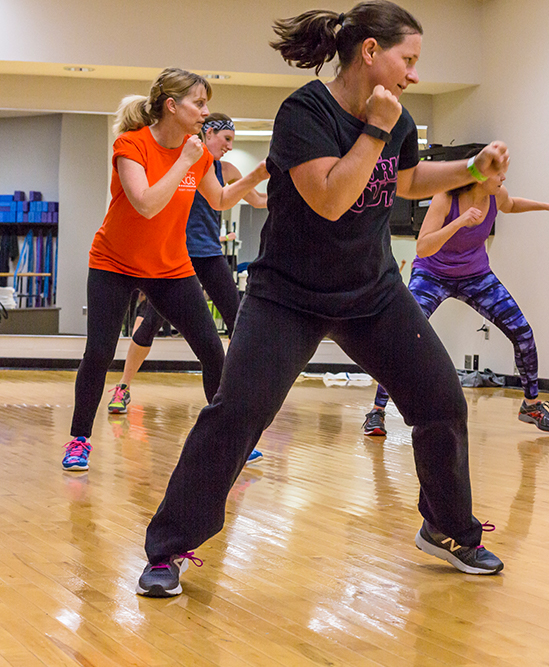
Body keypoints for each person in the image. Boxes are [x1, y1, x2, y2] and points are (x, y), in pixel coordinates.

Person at [136, 1, 510, 598]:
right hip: (289, 295)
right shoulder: (304, 112)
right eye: (407, 59)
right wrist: (377, 129)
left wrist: (470, 167)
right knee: (236, 414)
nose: (413, 74)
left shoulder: (399, 119)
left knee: (441, 400)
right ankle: (169, 548)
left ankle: (447, 527)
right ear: (370, 52)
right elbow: (332, 197)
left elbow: (406, 179)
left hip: (373, 291)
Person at [61, 68, 268, 472]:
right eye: (199, 103)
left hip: (169, 266)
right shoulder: (130, 145)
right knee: (99, 352)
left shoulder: (198, 153)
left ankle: (226, 442)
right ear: (172, 106)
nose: (206, 112)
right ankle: (79, 440)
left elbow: (221, 199)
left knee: (212, 350)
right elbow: (146, 203)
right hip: (113, 263)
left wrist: (256, 177)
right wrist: (185, 160)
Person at [363, 157, 549, 437]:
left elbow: (511, 205)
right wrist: (459, 223)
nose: (504, 179)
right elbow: (423, 247)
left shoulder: (496, 195)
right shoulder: (446, 198)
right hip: (432, 275)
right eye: (498, 174)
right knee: (402, 336)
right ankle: (377, 412)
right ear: (479, 176)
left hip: (476, 277)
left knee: (523, 332)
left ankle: (531, 405)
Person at [108, 112, 266, 465]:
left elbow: (255, 200)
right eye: (225, 139)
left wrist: (295, 196)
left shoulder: (225, 171)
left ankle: (230, 417)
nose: (229, 147)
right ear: (208, 134)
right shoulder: (181, 160)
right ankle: (123, 387)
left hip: (209, 254)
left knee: (238, 319)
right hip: (172, 257)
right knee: (148, 324)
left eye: (232, 141)